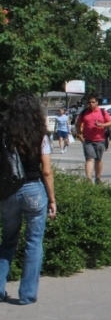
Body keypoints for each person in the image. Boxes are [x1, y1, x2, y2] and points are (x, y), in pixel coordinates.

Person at [0, 94, 58, 305]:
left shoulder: (5, 134)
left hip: (8, 191)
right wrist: (52, 199)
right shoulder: (40, 135)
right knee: (34, 243)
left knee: (8, 241)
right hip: (34, 190)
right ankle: (27, 294)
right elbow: (47, 171)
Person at [75, 96, 111, 184]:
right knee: (89, 159)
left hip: (100, 139)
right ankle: (88, 178)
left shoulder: (102, 112)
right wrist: (79, 134)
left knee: (98, 159)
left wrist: (102, 125)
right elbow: (78, 124)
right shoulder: (84, 112)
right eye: (89, 102)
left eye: (93, 102)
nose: (91, 104)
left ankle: (98, 178)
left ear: (97, 103)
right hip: (88, 140)